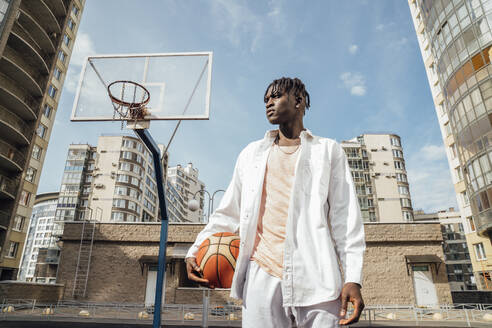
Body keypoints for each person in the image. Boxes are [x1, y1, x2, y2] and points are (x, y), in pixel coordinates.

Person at [185, 77, 365, 327]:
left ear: (299, 101)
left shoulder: (327, 150)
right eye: (266, 99)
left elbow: (345, 220)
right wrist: (194, 251)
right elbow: (227, 213)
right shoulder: (251, 154)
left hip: (317, 276)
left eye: (276, 96)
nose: (269, 102)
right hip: (262, 274)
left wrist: (353, 278)